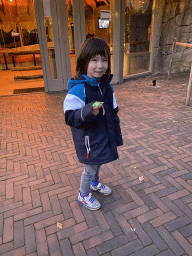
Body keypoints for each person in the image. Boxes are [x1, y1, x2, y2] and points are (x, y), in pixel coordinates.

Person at [64, 37, 123, 210]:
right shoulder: (78, 89)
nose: (100, 65)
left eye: (104, 60)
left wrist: (115, 133)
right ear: (84, 62)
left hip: (103, 136)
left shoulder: (107, 87)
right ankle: (83, 194)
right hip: (88, 141)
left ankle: (95, 184)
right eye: (94, 60)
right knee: (90, 168)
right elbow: (70, 116)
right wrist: (89, 110)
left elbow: (113, 112)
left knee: (99, 162)